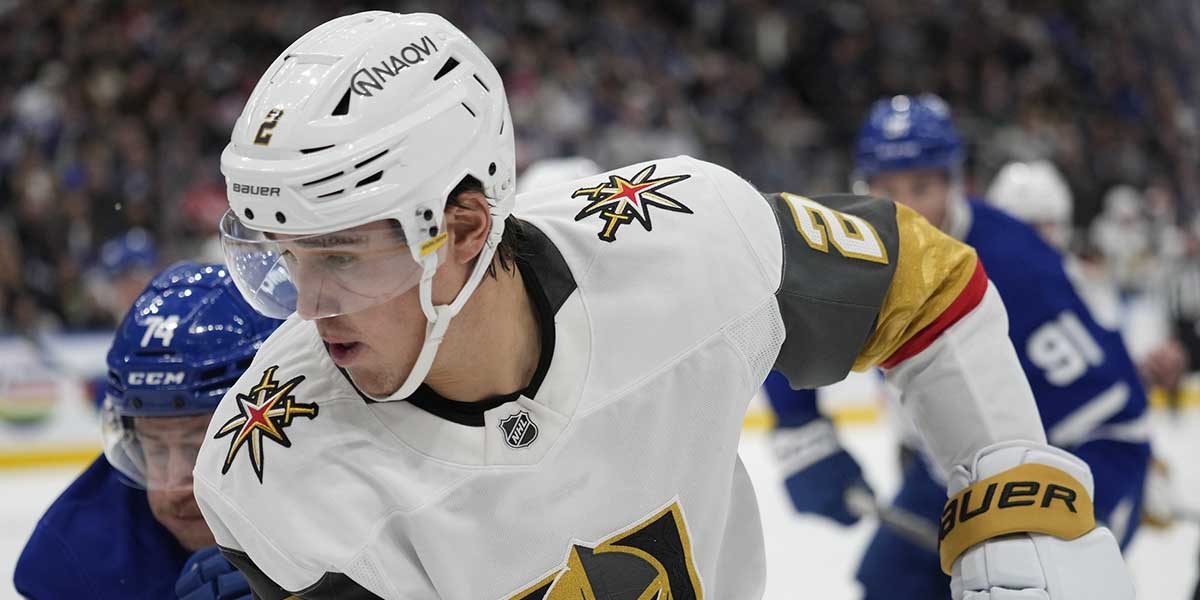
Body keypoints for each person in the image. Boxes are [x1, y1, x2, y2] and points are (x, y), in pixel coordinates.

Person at [196, 13, 1132, 599]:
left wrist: (1009, 485)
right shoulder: (273, 465)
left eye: (341, 256)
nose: (307, 308)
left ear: (468, 228)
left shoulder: (677, 236)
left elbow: (920, 281)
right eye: (282, 259)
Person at [764, 95, 1150, 600]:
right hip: (950, 466)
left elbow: (1110, 413)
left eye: (920, 187)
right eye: (886, 188)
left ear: (954, 182)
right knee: (888, 586)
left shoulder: (1015, 262)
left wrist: (1099, 494)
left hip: (1070, 463)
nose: (902, 208)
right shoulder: (858, 245)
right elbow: (782, 301)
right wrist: (801, 433)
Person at [13, 262, 281, 600]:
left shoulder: (356, 506)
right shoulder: (74, 566)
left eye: (202, 448)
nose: (172, 487)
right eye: (152, 450)